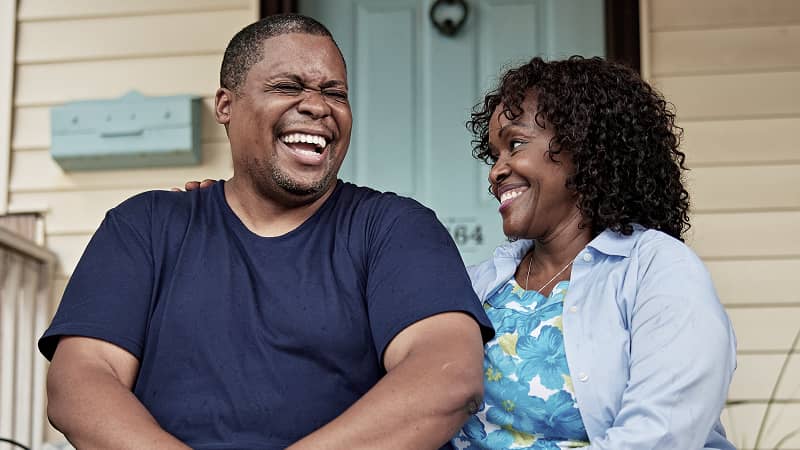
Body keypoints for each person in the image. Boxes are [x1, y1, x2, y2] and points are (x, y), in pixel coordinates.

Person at [38, 15, 494, 450]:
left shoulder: (395, 228)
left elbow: (447, 377)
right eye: (288, 86)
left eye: (335, 93)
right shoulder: (145, 226)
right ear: (226, 105)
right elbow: (80, 381)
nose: (317, 106)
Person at [450, 56, 737, 449]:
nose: (496, 170)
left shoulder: (658, 270)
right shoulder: (480, 284)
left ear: (582, 146)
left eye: (515, 144)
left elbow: (659, 434)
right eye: (494, 154)